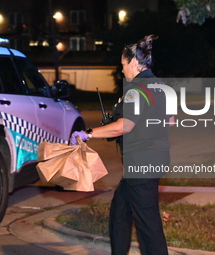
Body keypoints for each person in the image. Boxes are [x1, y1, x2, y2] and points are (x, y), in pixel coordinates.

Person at [71, 35, 173, 255]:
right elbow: (170, 120)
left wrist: (88, 133)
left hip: (142, 162)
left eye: (124, 65)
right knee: (121, 209)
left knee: (148, 224)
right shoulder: (161, 86)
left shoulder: (136, 90)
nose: (122, 70)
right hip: (156, 158)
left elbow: (123, 127)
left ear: (134, 63)